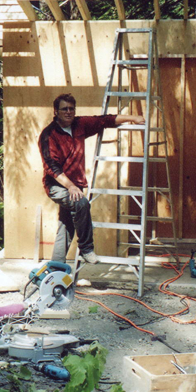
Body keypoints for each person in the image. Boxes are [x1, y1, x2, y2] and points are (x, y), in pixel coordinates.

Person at [38, 93, 146, 264]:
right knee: (81, 203)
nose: (68, 112)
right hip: (57, 185)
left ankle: (56, 267)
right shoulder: (48, 135)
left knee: (66, 226)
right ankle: (86, 249)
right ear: (56, 112)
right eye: (64, 109)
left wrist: (133, 118)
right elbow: (52, 167)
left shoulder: (80, 124)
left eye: (71, 109)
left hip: (75, 185)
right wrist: (71, 187)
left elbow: (104, 120)